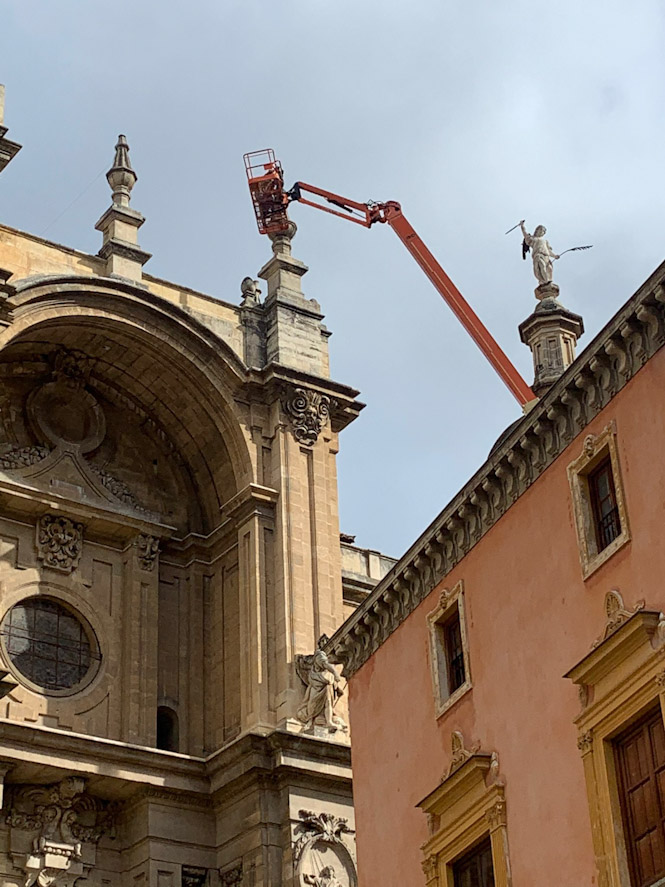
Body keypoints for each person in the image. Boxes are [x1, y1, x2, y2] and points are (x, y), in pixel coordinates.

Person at [297, 648, 347, 733]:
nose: (323, 663)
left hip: (326, 688)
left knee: (328, 703)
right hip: (315, 689)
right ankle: (311, 720)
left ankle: (329, 721)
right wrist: (335, 674)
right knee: (312, 706)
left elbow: (328, 668)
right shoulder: (313, 672)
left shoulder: (328, 674)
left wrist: (337, 686)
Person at [520, 221, 559, 285]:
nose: (542, 232)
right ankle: (545, 281)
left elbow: (549, 251)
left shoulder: (545, 241)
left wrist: (555, 256)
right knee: (541, 266)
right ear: (537, 230)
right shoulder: (533, 239)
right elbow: (525, 234)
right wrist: (522, 226)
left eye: (543, 231)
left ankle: (548, 281)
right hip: (538, 255)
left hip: (546, 257)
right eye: (541, 230)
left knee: (549, 269)